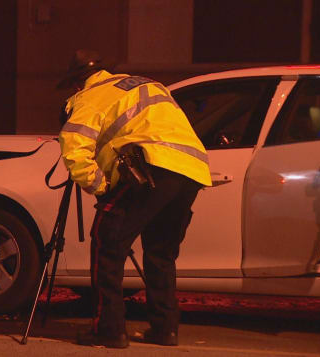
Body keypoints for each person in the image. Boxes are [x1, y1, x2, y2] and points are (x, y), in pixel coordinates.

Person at [57, 49, 212, 349]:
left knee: (107, 242)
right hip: (191, 171)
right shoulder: (146, 84)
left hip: (150, 166)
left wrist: (99, 186)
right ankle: (165, 329)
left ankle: (110, 329)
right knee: (160, 253)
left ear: (78, 82)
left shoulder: (91, 96)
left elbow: (74, 147)